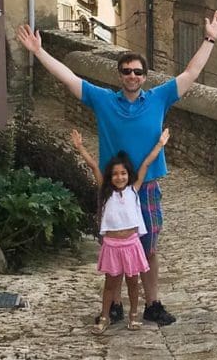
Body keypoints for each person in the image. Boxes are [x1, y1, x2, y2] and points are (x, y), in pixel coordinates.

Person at [16, 10, 217, 325]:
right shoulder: (103, 100)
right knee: (114, 248)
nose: (132, 76)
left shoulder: (159, 98)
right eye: (127, 71)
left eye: (137, 72)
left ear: (144, 76)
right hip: (112, 189)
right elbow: (69, 77)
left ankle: (152, 304)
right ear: (120, 75)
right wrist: (38, 51)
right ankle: (113, 305)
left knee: (150, 248)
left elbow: (190, 73)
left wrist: (210, 38)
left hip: (147, 186)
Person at [69, 127, 170, 334]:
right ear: (110, 177)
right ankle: (105, 316)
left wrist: (160, 144)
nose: (120, 177)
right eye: (115, 174)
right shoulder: (106, 193)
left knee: (133, 284)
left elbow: (146, 164)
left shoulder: (134, 190)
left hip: (132, 244)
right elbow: (93, 166)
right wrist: (80, 147)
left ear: (128, 175)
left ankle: (134, 316)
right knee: (110, 285)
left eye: (123, 173)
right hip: (112, 246)